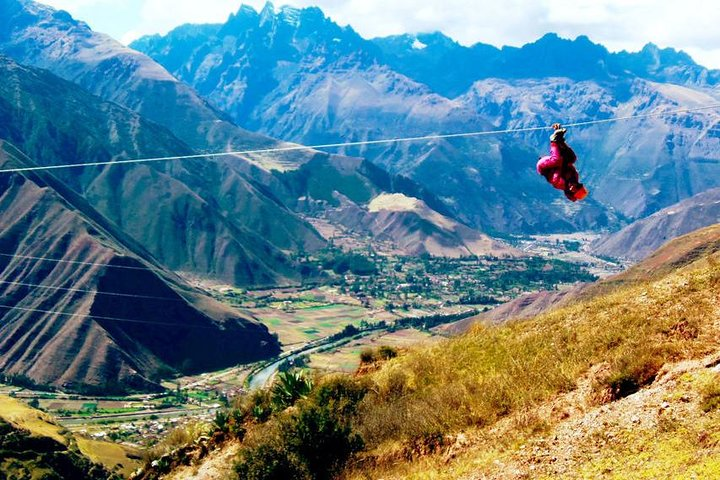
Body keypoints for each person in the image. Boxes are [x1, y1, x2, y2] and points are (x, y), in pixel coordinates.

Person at [536, 123, 588, 202]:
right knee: (572, 159)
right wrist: (564, 151)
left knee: (558, 161)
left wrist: (561, 156)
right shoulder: (575, 177)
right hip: (554, 163)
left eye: (574, 190)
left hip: (543, 166)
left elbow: (558, 168)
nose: (574, 187)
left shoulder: (560, 184)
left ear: (569, 192)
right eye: (578, 186)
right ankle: (560, 140)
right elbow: (569, 164)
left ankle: (554, 141)